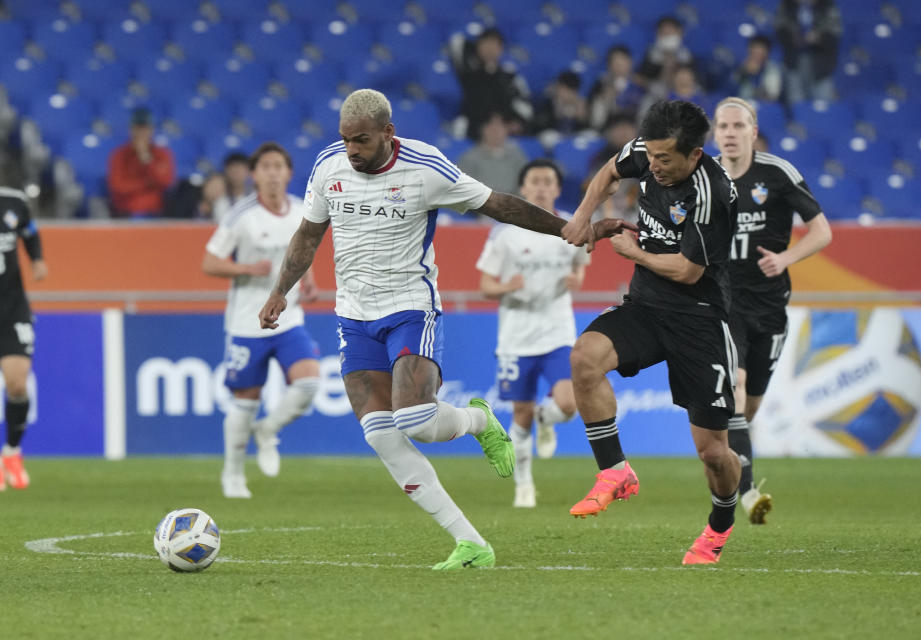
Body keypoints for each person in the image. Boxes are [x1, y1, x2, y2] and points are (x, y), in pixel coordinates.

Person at [258, 89, 618, 570]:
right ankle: (471, 543)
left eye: (361, 140)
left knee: (415, 422)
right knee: (381, 436)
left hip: (410, 308)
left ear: (388, 132)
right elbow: (308, 233)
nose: (352, 150)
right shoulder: (328, 166)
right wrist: (280, 290)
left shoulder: (427, 167)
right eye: (345, 140)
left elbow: (499, 205)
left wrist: (568, 228)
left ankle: (479, 421)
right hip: (354, 316)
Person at [561, 100, 741, 565]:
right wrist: (583, 216)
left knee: (714, 454)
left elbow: (686, 270)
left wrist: (631, 251)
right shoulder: (649, 151)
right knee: (584, 357)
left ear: (695, 155)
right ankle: (615, 471)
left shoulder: (712, 195)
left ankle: (720, 525)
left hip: (700, 319)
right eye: (651, 156)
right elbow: (609, 172)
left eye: (665, 159)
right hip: (646, 307)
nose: (654, 166)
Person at [713, 97, 831, 523]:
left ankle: (724, 464)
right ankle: (745, 494)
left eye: (737, 125)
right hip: (723, 302)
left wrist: (785, 259)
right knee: (738, 386)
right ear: (714, 133)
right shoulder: (703, 177)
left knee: (749, 407)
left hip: (770, 303)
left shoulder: (777, 173)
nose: (729, 133)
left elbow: (821, 232)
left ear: (752, 129)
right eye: (722, 126)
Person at [203, 142, 322, 498]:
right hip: (246, 321)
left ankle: (268, 430)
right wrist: (245, 268)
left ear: (288, 173)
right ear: (254, 175)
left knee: (309, 384)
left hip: (289, 315)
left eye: (278, 166)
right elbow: (209, 262)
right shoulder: (241, 215)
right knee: (245, 400)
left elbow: (304, 250)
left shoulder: (301, 211)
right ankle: (233, 475)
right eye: (265, 166)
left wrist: (310, 279)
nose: (272, 172)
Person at [476, 159, 591, 508]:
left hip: (557, 330)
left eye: (548, 181)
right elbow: (484, 285)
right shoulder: (505, 233)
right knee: (521, 414)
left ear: (557, 188)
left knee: (569, 403)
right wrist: (506, 286)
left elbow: (580, 270)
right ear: (524, 188)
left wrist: (576, 281)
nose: (541, 187)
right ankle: (524, 485)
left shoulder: (572, 227)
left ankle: (548, 417)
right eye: (534, 181)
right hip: (516, 336)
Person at [0, 139, 48, 492]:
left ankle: (12, 450)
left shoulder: (14, 204)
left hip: (11, 309)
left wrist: (37, 260)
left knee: (17, 383)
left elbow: (30, 233)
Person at [449, 27, 533, 139]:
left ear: (501, 49)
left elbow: (526, 109)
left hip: (505, 131)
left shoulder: (510, 77)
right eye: (486, 44)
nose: (490, 49)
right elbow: (457, 41)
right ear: (478, 46)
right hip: (474, 130)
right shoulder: (467, 71)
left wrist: (512, 124)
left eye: (494, 45)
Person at [107, 107, 175, 218]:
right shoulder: (119, 155)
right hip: (125, 212)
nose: (141, 133)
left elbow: (166, 182)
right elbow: (118, 186)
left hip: (155, 213)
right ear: (131, 130)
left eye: (145, 128)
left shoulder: (161, 154)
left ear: (152, 130)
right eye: (137, 128)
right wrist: (147, 183)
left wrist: (146, 159)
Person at [775, 0, 841, 104]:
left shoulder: (827, 6)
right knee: (796, 104)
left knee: (822, 105)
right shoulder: (787, 5)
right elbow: (779, 30)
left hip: (821, 64)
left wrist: (818, 37)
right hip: (793, 62)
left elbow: (834, 34)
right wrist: (794, 38)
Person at [457, 112, 528, 196]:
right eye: (491, 126)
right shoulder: (469, 158)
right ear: (482, 129)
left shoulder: (517, 155)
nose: (496, 131)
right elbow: (463, 191)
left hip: (512, 205)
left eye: (501, 126)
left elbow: (525, 186)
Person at [588, 46, 645, 130]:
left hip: (635, 128)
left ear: (630, 62)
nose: (619, 65)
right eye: (615, 62)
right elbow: (596, 118)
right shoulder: (601, 84)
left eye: (622, 61)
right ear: (609, 66)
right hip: (610, 128)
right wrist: (607, 98)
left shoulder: (641, 84)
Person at [533, 70, 590, 135]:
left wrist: (580, 115)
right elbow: (543, 124)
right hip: (555, 136)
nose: (560, 92)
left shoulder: (581, 103)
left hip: (576, 135)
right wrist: (557, 109)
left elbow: (585, 123)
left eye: (566, 90)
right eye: (560, 88)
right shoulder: (550, 102)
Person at [731, 35, 784, 104]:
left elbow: (772, 97)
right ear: (749, 51)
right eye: (755, 52)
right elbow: (730, 90)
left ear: (767, 54)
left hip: (762, 108)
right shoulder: (738, 66)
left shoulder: (772, 69)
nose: (757, 56)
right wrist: (744, 72)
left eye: (761, 52)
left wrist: (756, 76)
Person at [213, 152, 253, 222]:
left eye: (239, 170)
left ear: (249, 172)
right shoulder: (221, 202)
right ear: (226, 172)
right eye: (232, 171)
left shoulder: (257, 199)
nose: (236, 175)